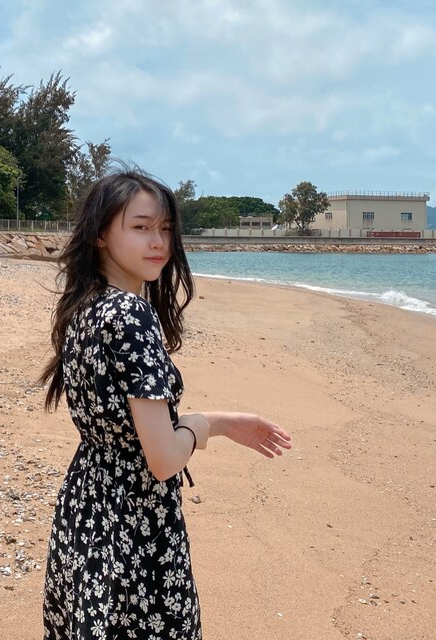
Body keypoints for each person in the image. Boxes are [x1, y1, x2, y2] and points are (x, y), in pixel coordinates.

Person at [39, 169, 292, 639]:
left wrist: (218, 422)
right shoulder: (131, 315)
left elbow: (125, 429)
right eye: (141, 227)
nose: (158, 242)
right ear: (100, 234)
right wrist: (204, 425)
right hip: (134, 522)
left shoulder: (85, 307)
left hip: (87, 506)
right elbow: (162, 459)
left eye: (166, 229)